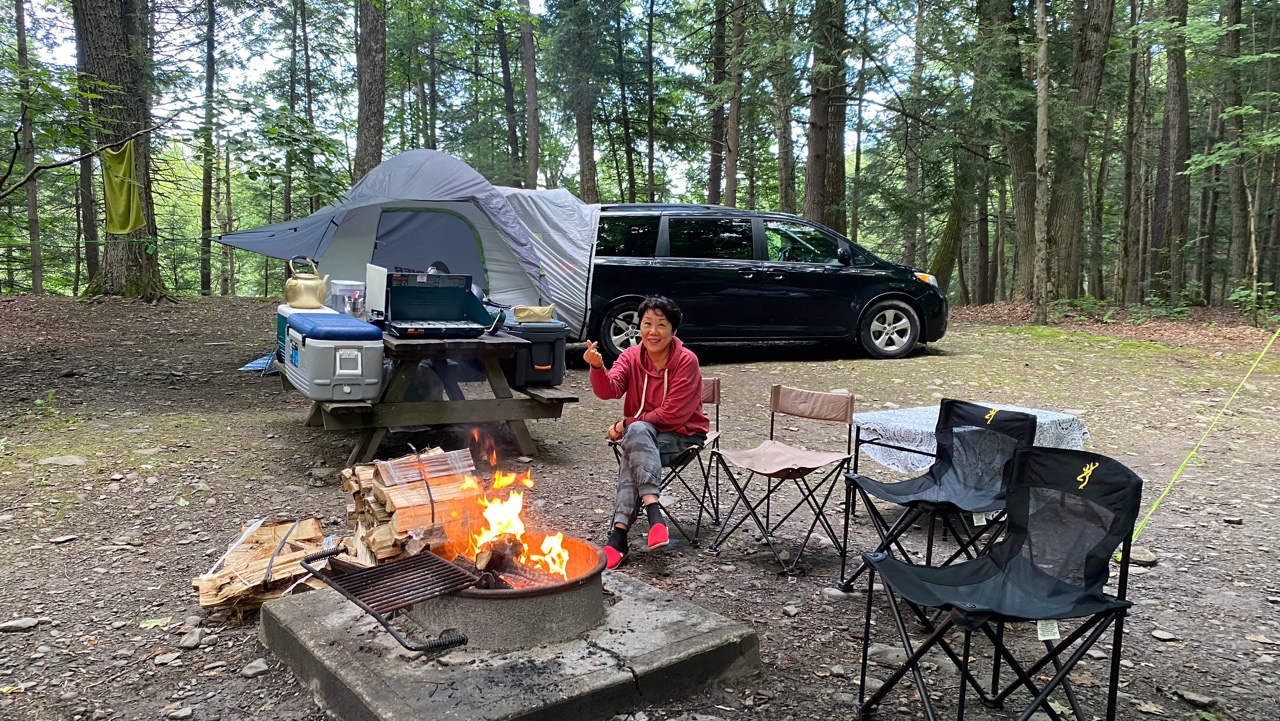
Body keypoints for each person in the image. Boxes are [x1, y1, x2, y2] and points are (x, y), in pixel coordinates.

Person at [584, 296, 709, 569]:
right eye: (647, 324)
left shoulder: (686, 361)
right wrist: (597, 367)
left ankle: (618, 537)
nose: (653, 332)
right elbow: (609, 390)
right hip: (643, 439)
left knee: (635, 436)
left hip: (682, 436)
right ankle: (654, 515)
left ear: (673, 331)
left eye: (661, 325)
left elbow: (673, 414)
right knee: (637, 436)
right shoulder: (630, 356)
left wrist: (626, 424)